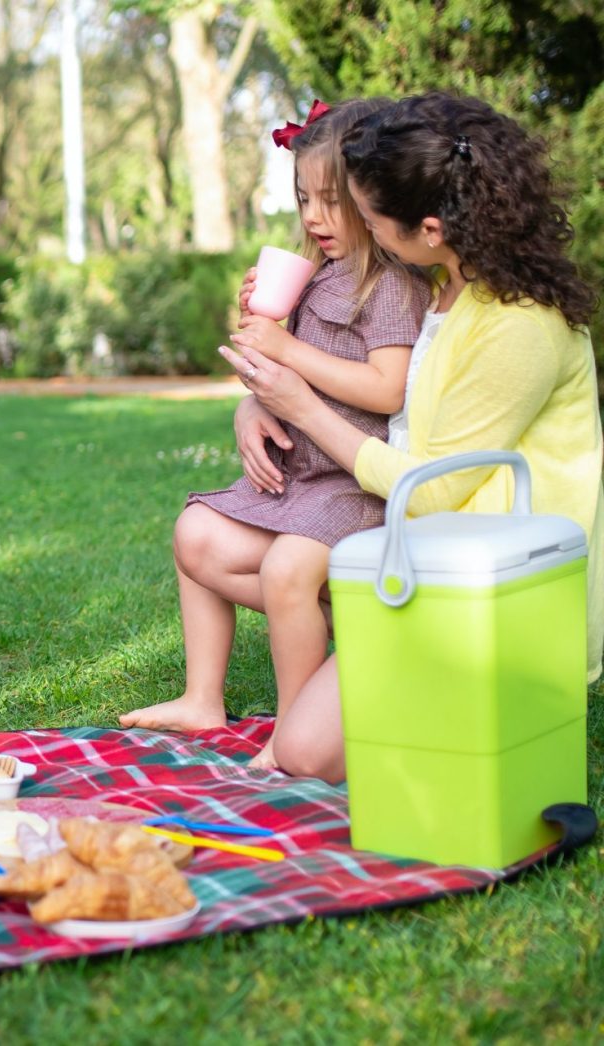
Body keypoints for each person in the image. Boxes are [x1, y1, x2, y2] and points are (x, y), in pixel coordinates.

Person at [220, 92, 603, 782]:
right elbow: (375, 402)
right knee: (233, 559)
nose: (354, 229)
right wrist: (258, 406)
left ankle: (444, 697)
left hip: (501, 595)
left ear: (429, 228)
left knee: (305, 754)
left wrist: (303, 408)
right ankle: (390, 673)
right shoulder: (447, 285)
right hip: (428, 558)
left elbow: (431, 491)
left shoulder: (520, 326)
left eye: (369, 218)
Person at [121, 99, 431, 768]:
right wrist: (255, 377)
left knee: (289, 569)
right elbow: (278, 380)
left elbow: (387, 387)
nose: (315, 217)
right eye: (303, 199)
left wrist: (289, 352)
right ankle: (203, 696)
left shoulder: (389, 286)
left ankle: (293, 728)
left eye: (331, 200)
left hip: (355, 484)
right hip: (301, 478)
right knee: (195, 533)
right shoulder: (314, 275)